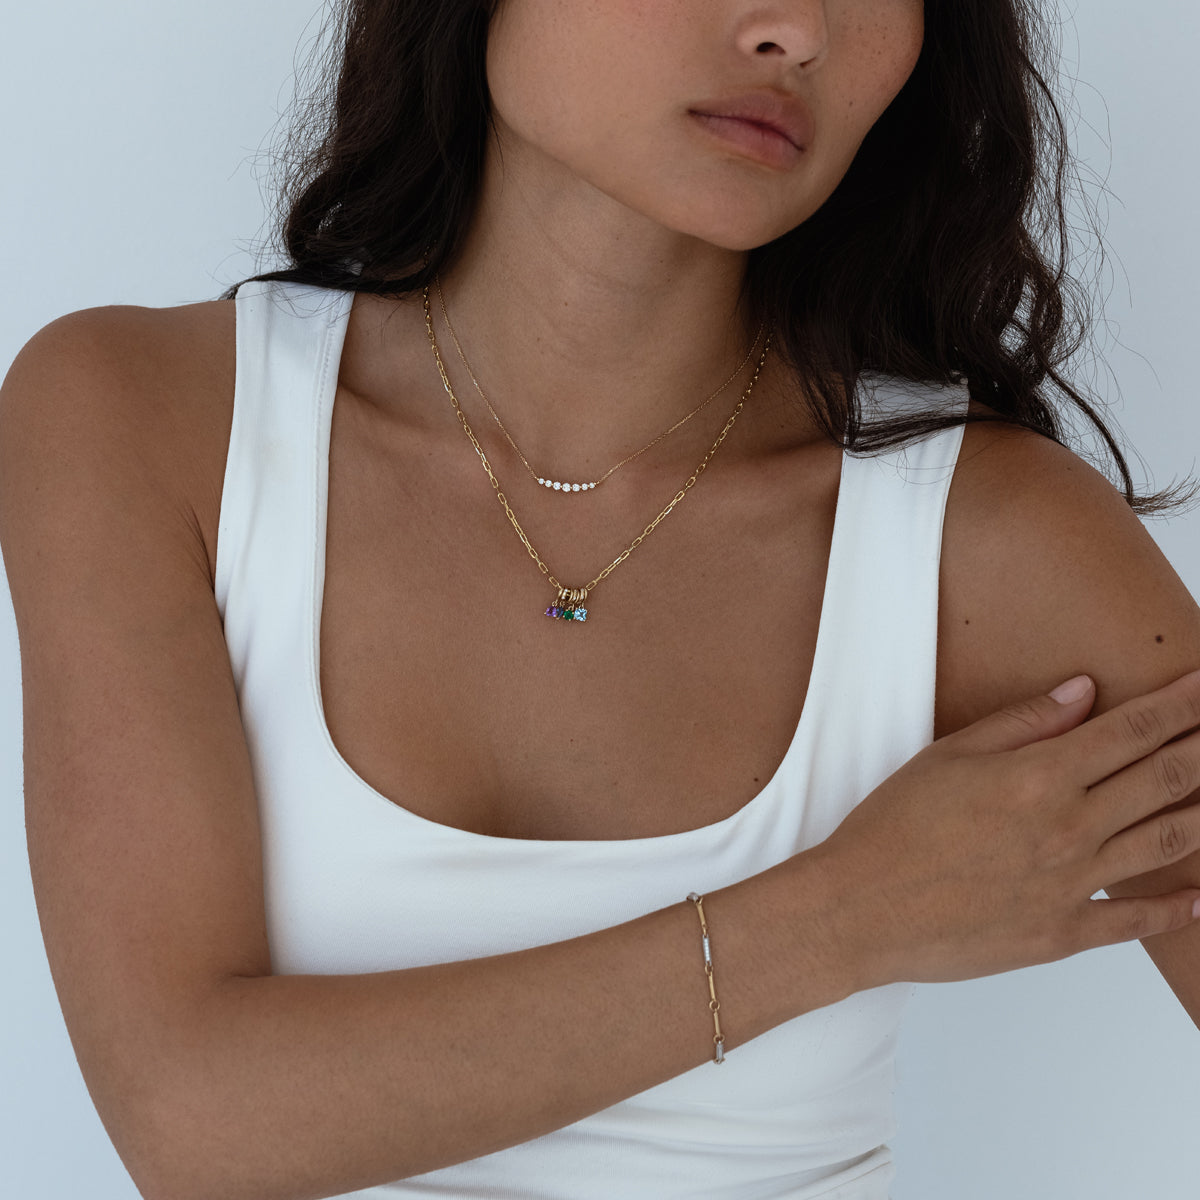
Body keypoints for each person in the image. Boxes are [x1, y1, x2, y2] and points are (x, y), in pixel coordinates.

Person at [1, 1, 1199, 1197]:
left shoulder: (987, 539)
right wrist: (850, 915)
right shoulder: (145, 419)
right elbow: (192, 1126)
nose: (797, 29)